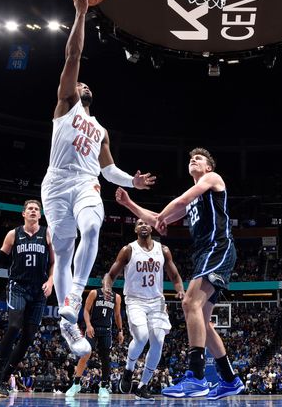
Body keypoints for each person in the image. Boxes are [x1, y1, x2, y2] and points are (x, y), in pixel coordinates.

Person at [41, 0, 155, 358]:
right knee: (62, 244)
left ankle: (73, 295)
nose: (82, 85)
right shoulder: (64, 105)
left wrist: (133, 182)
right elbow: (73, 56)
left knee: (92, 225)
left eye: (87, 85)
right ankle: (66, 321)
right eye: (80, 84)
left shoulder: (101, 129)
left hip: (86, 182)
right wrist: (80, 13)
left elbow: (109, 172)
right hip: (56, 181)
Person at [114, 148, 244, 399]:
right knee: (202, 322)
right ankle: (229, 380)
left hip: (217, 248)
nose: (193, 160)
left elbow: (176, 206)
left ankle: (196, 377)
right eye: (190, 159)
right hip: (204, 253)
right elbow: (155, 219)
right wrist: (129, 203)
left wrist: (163, 218)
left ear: (208, 167)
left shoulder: (213, 179)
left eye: (199, 159)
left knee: (189, 302)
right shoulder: (194, 200)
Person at [0, 199, 54, 396]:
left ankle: (5, 378)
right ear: (23, 214)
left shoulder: (47, 233)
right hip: (18, 286)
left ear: (40, 214)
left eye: (36, 209)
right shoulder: (14, 234)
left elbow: (55, 262)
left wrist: (52, 280)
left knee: (29, 337)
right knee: (14, 327)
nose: (33, 211)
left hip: (39, 291)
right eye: (29, 208)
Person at [101, 220, 185, 400]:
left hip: (157, 301)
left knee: (158, 341)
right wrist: (107, 287)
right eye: (140, 223)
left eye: (147, 223)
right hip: (135, 300)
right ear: (135, 229)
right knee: (142, 336)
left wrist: (180, 290)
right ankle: (129, 370)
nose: (144, 225)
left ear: (152, 227)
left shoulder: (163, 250)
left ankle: (142, 385)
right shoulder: (128, 250)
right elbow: (110, 275)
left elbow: (175, 276)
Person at [65, 287, 124, 400]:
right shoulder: (94, 293)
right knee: (85, 353)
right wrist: (88, 325)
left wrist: (120, 331)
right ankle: (76, 384)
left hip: (106, 331)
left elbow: (117, 315)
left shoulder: (116, 297)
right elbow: (86, 310)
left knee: (105, 359)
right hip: (93, 328)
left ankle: (103, 387)